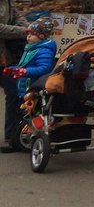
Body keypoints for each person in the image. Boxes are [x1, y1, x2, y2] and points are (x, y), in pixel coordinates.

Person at [1, 17, 58, 150]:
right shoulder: (31, 47)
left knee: (29, 114)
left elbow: (44, 68)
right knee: (23, 113)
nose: (28, 37)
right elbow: (25, 65)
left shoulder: (43, 50)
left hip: (34, 86)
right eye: (28, 34)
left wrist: (24, 71)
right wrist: (14, 69)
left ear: (42, 36)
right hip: (25, 85)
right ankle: (19, 139)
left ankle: (24, 140)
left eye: (32, 34)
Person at [0, 0, 28, 152]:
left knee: (14, 91)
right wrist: (24, 31)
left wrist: (30, 27)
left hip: (5, 55)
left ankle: (13, 136)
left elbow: (17, 17)